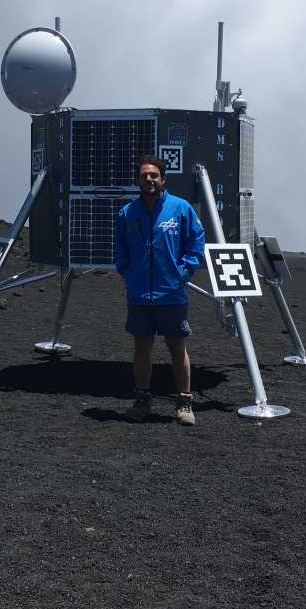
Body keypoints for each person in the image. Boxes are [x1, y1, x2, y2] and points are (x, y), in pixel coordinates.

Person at [113, 154, 206, 425]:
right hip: (140, 295)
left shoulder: (181, 209)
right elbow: (120, 248)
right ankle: (142, 400)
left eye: (154, 175)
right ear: (138, 180)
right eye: (144, 176)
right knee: (141, 348)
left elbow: (196, 242)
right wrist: (127, 272)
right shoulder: (127, 213)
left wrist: (183, 272)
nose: (149, 179)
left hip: (171, 294)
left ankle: (185, 403)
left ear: (163, 179)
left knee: (177, 347)